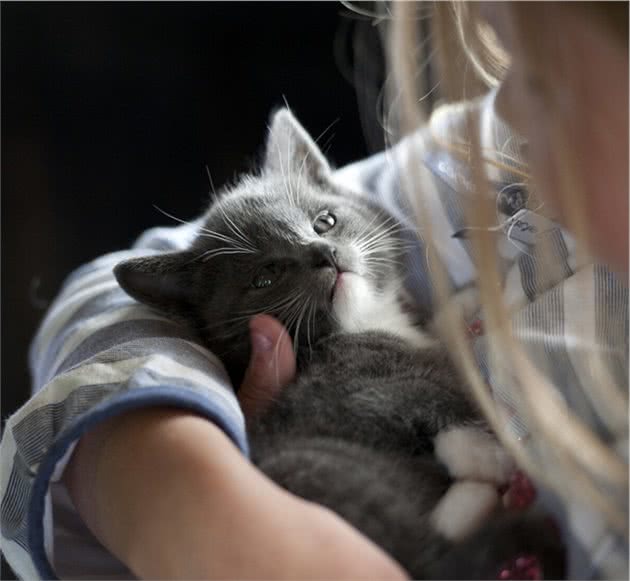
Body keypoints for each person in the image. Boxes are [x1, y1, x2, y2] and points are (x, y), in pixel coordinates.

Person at [1, 2, 626, 579]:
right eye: (502, 50)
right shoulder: (503, 165)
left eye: (545, 76)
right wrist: (198, 506)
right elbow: (99, 297)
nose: (505, 105)